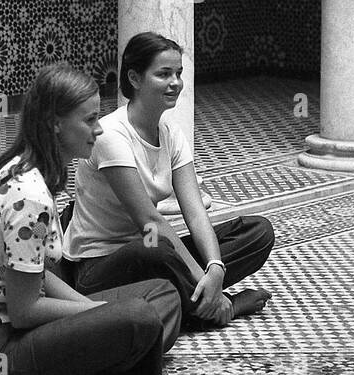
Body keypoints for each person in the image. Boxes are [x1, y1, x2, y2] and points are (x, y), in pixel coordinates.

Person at [0, 63, 181, 375]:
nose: (99, 129)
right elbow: (25, 310)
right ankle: (96, 372)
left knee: (164, 294)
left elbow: (38, 275)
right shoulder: (27, 195)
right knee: (140, 318)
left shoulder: (34, 175)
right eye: (89, 120)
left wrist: (95, 313)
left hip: (19, 327)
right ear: (55, 124)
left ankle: (94, 367)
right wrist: (98, 314)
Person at [64, 32, 274, 329]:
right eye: (163, 74)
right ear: (135, 78)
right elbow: (149, 220)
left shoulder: (170, 132)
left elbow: (196, 211)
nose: (175, 82)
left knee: (258, 232)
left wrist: (214, 267)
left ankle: (198, 296)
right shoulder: (111, 135)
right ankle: (219, 308)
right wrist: (202, 276)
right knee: (157, 247)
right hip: (97, 268)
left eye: (178, 73)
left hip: (152, 256)